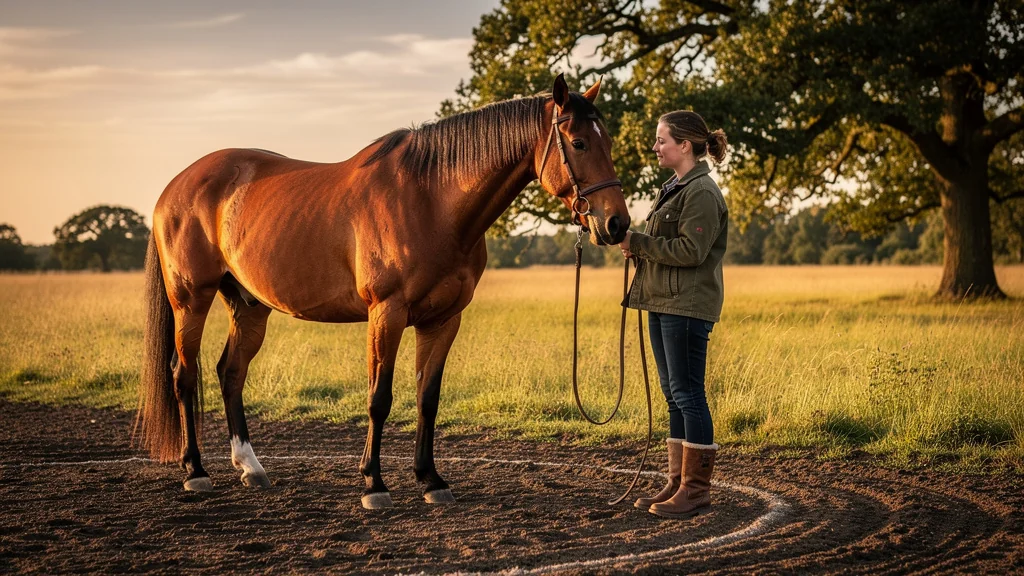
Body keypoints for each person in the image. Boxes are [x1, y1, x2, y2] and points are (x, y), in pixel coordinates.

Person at [619, 110, 728, 519]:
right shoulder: (675, 187)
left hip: (686, 306)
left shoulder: (701, 192)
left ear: (685, 145)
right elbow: (668, 243)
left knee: (688, 395)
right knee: (673, 396)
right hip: (663, 301)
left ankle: (696, 491)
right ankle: (677, 481)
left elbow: (691, 251)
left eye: (662, 139)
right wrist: (636, 244)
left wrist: (640, 243)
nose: (655, 146)